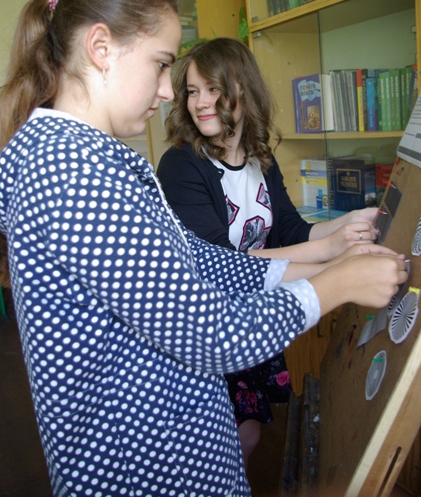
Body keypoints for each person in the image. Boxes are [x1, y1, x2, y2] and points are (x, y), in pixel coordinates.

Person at [0, 0, 407, 497]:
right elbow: (211, 335)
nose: (168, 92)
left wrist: (328, 266)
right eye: (161, 64)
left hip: (174, 460)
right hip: (148, 481)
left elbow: (201, 260)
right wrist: (336, 285)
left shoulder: (92, 162)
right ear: (100, 48)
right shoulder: (72, 174)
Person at [157, 37, 381, 467]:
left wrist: (349, 224)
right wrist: (332, 256)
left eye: (213, 89)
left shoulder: (261, 158)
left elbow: (293, 229)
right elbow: (221, 265)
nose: (200, 103)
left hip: (254, 309)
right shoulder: (181, 166)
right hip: (216, 322)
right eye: (192, 91)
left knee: (247, 434)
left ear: (244, 89)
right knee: (233, 440)